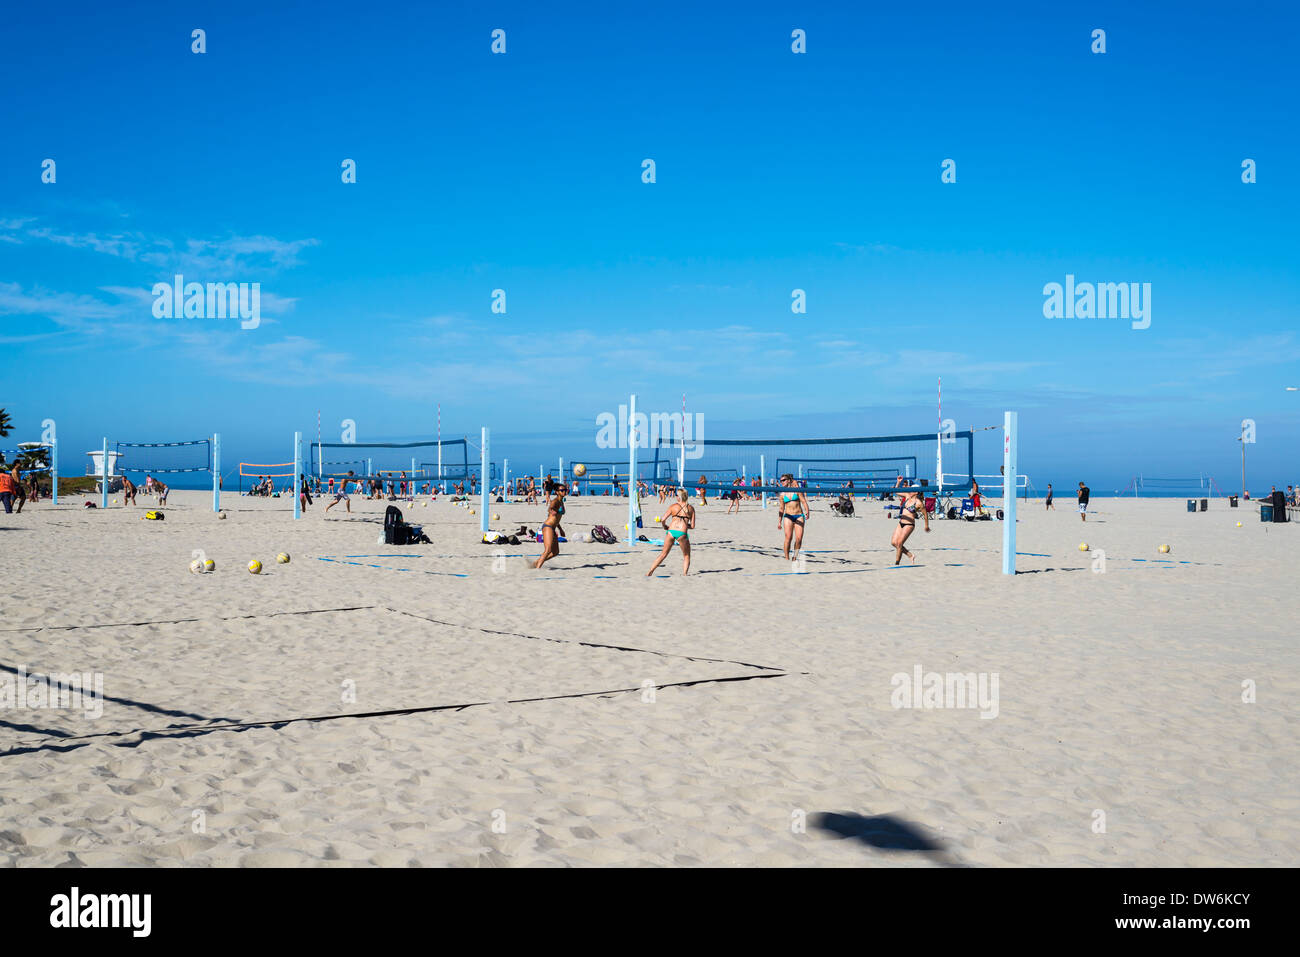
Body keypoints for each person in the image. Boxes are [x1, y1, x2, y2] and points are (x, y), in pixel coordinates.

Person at [647, 489, 696, 576]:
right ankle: (684, 574)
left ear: (679, 497)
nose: (676, 497)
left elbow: (663, 519)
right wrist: (685, 525)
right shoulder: (691, 508)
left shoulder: (673, 506)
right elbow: (692, 526)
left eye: (676, 495)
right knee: (686, 555)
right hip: (682, 532)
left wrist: (664, 526)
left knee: (663, 554)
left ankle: (650, 571)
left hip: (671, 531)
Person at [533, 483, 567, 569]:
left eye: (565, 490)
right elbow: (551, 507)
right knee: (548, 550)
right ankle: (538, 569)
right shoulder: (555, 501)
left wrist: (560, 529)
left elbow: (557, 519)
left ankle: (536, 563)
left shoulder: (561, 501)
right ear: (557, 492)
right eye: (562, 490)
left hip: (553, 527)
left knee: (555, 552)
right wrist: (551, 510)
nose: (564, 492)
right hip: (548, 526)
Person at [892, 489, 930, 564]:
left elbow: (925, 515)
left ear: (916, 492)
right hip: (901, 522)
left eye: (912, 490)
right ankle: (910, 555)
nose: (910, 491)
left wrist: (926, 526)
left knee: (899, 543)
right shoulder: (907, 496)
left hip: (909, 524)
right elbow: (896, 491)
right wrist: (899, 482)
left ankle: (897, 563)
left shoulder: (919, 503)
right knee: (893, 543)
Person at [777, 473, 809, 562]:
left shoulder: (796, 490)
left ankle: (794, 557)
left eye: (783, 480)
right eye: (781, 481)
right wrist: (779, 522)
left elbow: (803, 501)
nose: (781, 482)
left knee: (799, 539)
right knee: (788, 538)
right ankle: (786, 558)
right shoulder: (782, 494)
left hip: (799, 515)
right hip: (788, 516)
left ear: (788, 480)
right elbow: (781, 508)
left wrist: (807, 511)